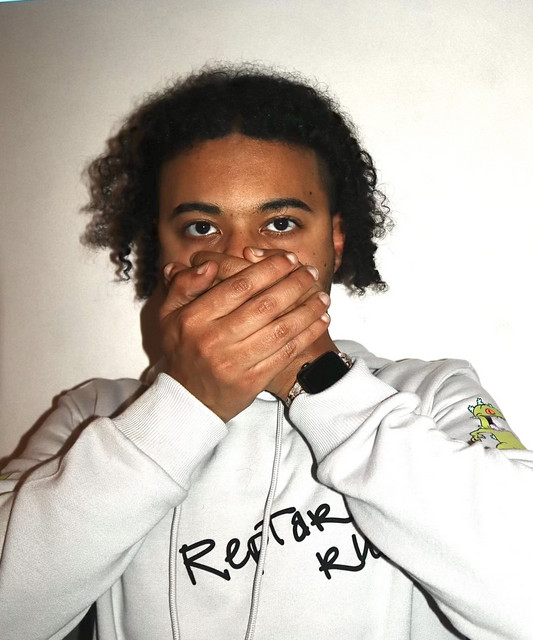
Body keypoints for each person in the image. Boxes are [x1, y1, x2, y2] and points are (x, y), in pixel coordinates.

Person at [0, 65, 532, 640]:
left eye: (279, 223)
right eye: (201, 227)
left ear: (334, 241)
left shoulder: (431, 395)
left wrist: (318, 378)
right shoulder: (95, 416)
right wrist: (182, 409)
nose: (238, 259)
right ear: (163, 250)